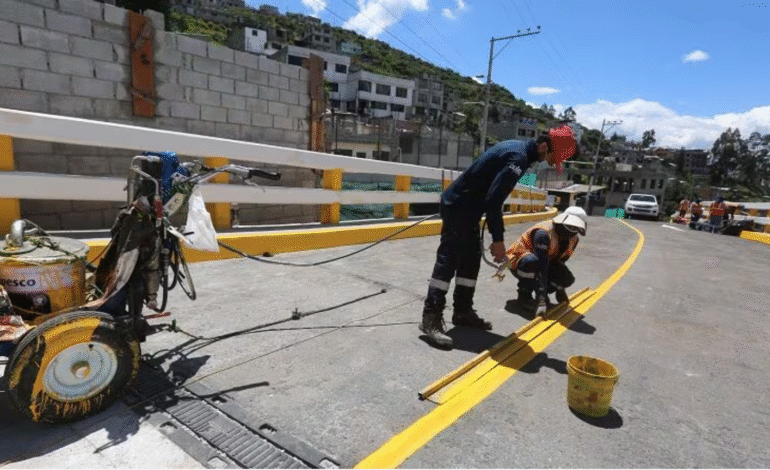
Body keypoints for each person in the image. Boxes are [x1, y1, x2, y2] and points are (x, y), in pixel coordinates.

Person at [419, 125, 577, 349]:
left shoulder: (520, 151)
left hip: (469, 208)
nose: (550, 163)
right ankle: (430, 319)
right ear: (544, 146)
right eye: (552, 157)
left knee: (471, 261)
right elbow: (494, 199)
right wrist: (498, 240)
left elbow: (491, 195)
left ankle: (462, 311)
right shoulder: (518, 158)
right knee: (448, 261)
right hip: (459, 206)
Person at [505, 206, 587, 316]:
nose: (571, 232)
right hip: (519, 262)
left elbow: (560, 264)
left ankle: (544, 292)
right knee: (532, 262)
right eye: (569, 226)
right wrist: (541, 299)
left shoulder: (573, 239)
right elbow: (541, 266)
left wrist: (560, 289)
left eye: (575, 228)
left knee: (567, 279)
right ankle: (524, 296)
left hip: (545, 262)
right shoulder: (543, 233)